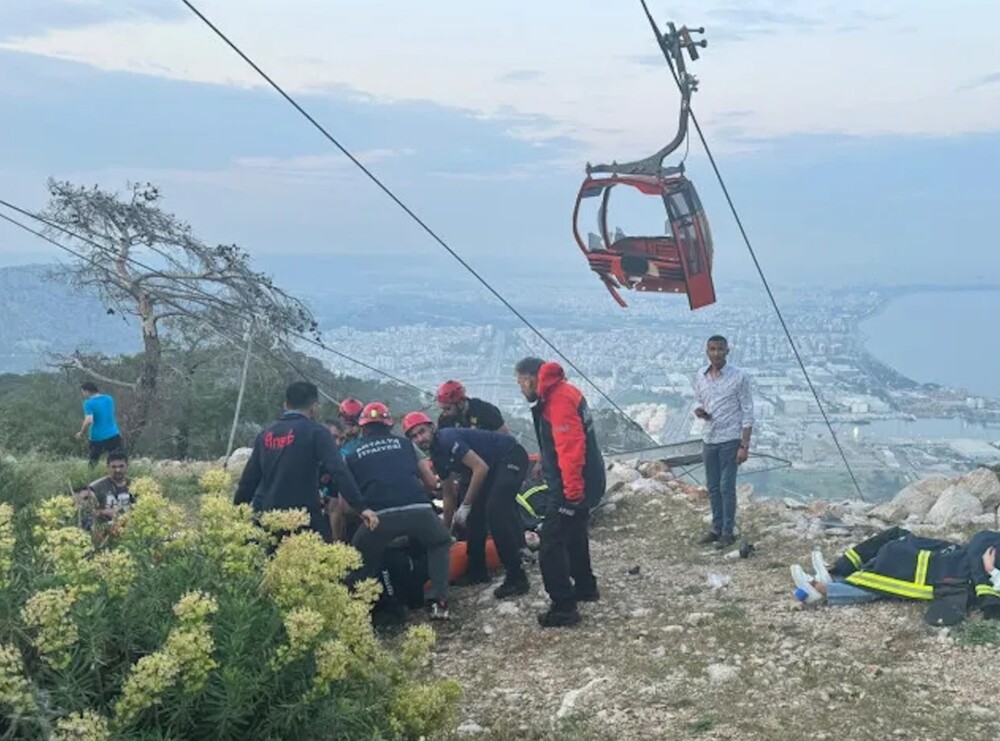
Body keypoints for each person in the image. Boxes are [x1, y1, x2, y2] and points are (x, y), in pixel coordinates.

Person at [514, 357, 605, 628]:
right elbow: (559, 441)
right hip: (581, 478)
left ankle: (564, 607)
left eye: (520, 382)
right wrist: (546, 459)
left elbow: (571, 448)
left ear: (530, 380)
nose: (520, 388)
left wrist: (572, 492)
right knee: (575, 534)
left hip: (572, 483)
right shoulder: (561, 391)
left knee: (551, 544)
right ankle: (586, 586)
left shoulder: (558, 400)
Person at [404, 411, 530, 599]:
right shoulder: (437, 455)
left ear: (431, 428)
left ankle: (516, 576)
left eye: (422, 432)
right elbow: (448, 494)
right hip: (493, 465)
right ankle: (477, 571)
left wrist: (466, 505)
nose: (419, 438)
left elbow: (480, 468)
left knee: (495, 510)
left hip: (510, 456)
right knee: (474, 518)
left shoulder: (447, 439)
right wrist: (445, 532)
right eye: (414, 436)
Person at [345, 402, 452, 620]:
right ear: (389, 425)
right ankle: (439, 601)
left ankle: (358, 612)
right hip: (418, 510)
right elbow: (431, 482)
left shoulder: (352, 454)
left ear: (363, 428)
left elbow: (345, 504)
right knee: (440, 542)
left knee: (357, 559)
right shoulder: (405, 444)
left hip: (378, 517)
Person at [233, 381, 377, 543]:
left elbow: (249, 480)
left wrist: (237, 512)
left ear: (286, 405)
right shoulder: (317, 433)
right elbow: (338, 470)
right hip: (305, 519)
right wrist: (361, 507)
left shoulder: (265, 434)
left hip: (269, 519)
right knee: (324, 562)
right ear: (314, 407)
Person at [693, 335, 754, 549]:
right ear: (707, 351)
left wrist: (744, 446)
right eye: (712, 349)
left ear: (727, 351)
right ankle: (716, 528)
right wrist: (700, 411)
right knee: (712, 486)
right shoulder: (701, 375)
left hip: (730, 438)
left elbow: (747, 411)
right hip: (709, 436)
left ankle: (728, 531)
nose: (716, 353)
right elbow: (701, 400)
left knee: (726, 486)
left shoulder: (739, 377)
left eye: (720, 349)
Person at [77, 450, 134, 531]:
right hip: (105, 530)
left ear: (127, 466)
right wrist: (103, 512)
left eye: (121, 466)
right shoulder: (96, 487)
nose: (117, 470)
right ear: (107, 467)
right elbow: (84, 510)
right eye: (113, 467)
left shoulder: (137, 485)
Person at [76, 382, 123, 467]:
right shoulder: (109, 398)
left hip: (98, 437)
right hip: (114, 434)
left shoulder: (88, 403)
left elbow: (89, 420)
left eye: (82, 392)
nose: (83, 394)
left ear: (87, 391)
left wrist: (81, 432)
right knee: (118, 461)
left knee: (93, 463)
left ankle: (92, 478)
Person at [436, 380, 509, 433]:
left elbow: (504, 433)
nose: (444, 413)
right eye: (442, 409)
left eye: (447, 409)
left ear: (460, 403)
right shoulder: (444, 421)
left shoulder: (485, 410)